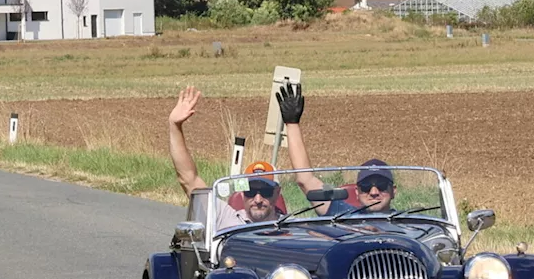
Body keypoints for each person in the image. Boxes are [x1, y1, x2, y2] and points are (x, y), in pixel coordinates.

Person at [275, 81, 396, 215]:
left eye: (382, 186)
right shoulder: (344, 215)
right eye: (366, 187)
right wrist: (292, 124)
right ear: (357, 192)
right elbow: (305, 180)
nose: (374, 192)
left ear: (393, 191)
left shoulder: (411, 223)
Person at [168, 85, 280, 228]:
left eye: (265, 191)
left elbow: (307, 181)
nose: (258, 199)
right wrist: (174, 126)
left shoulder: (290, 227)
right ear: (242, 193)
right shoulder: (226, 217)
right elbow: (188, 179)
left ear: (277, 193)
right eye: (251, 191)